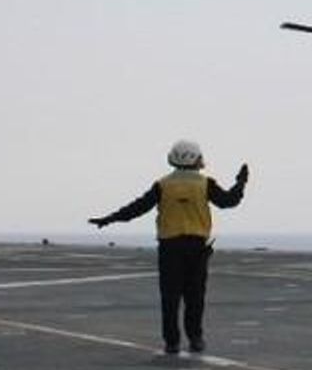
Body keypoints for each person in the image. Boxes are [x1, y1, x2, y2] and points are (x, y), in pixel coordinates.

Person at [89, 140, 249, 355]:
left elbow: (138, 207)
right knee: (195, 296)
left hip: (169, 247)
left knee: (170, 296)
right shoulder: (205, 184)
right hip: (196, 247)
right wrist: (241, 183)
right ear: (194, 158)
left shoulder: (163, 185)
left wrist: (110, 219)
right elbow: (228, 201)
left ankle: (171, 342)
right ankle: (195, 338)